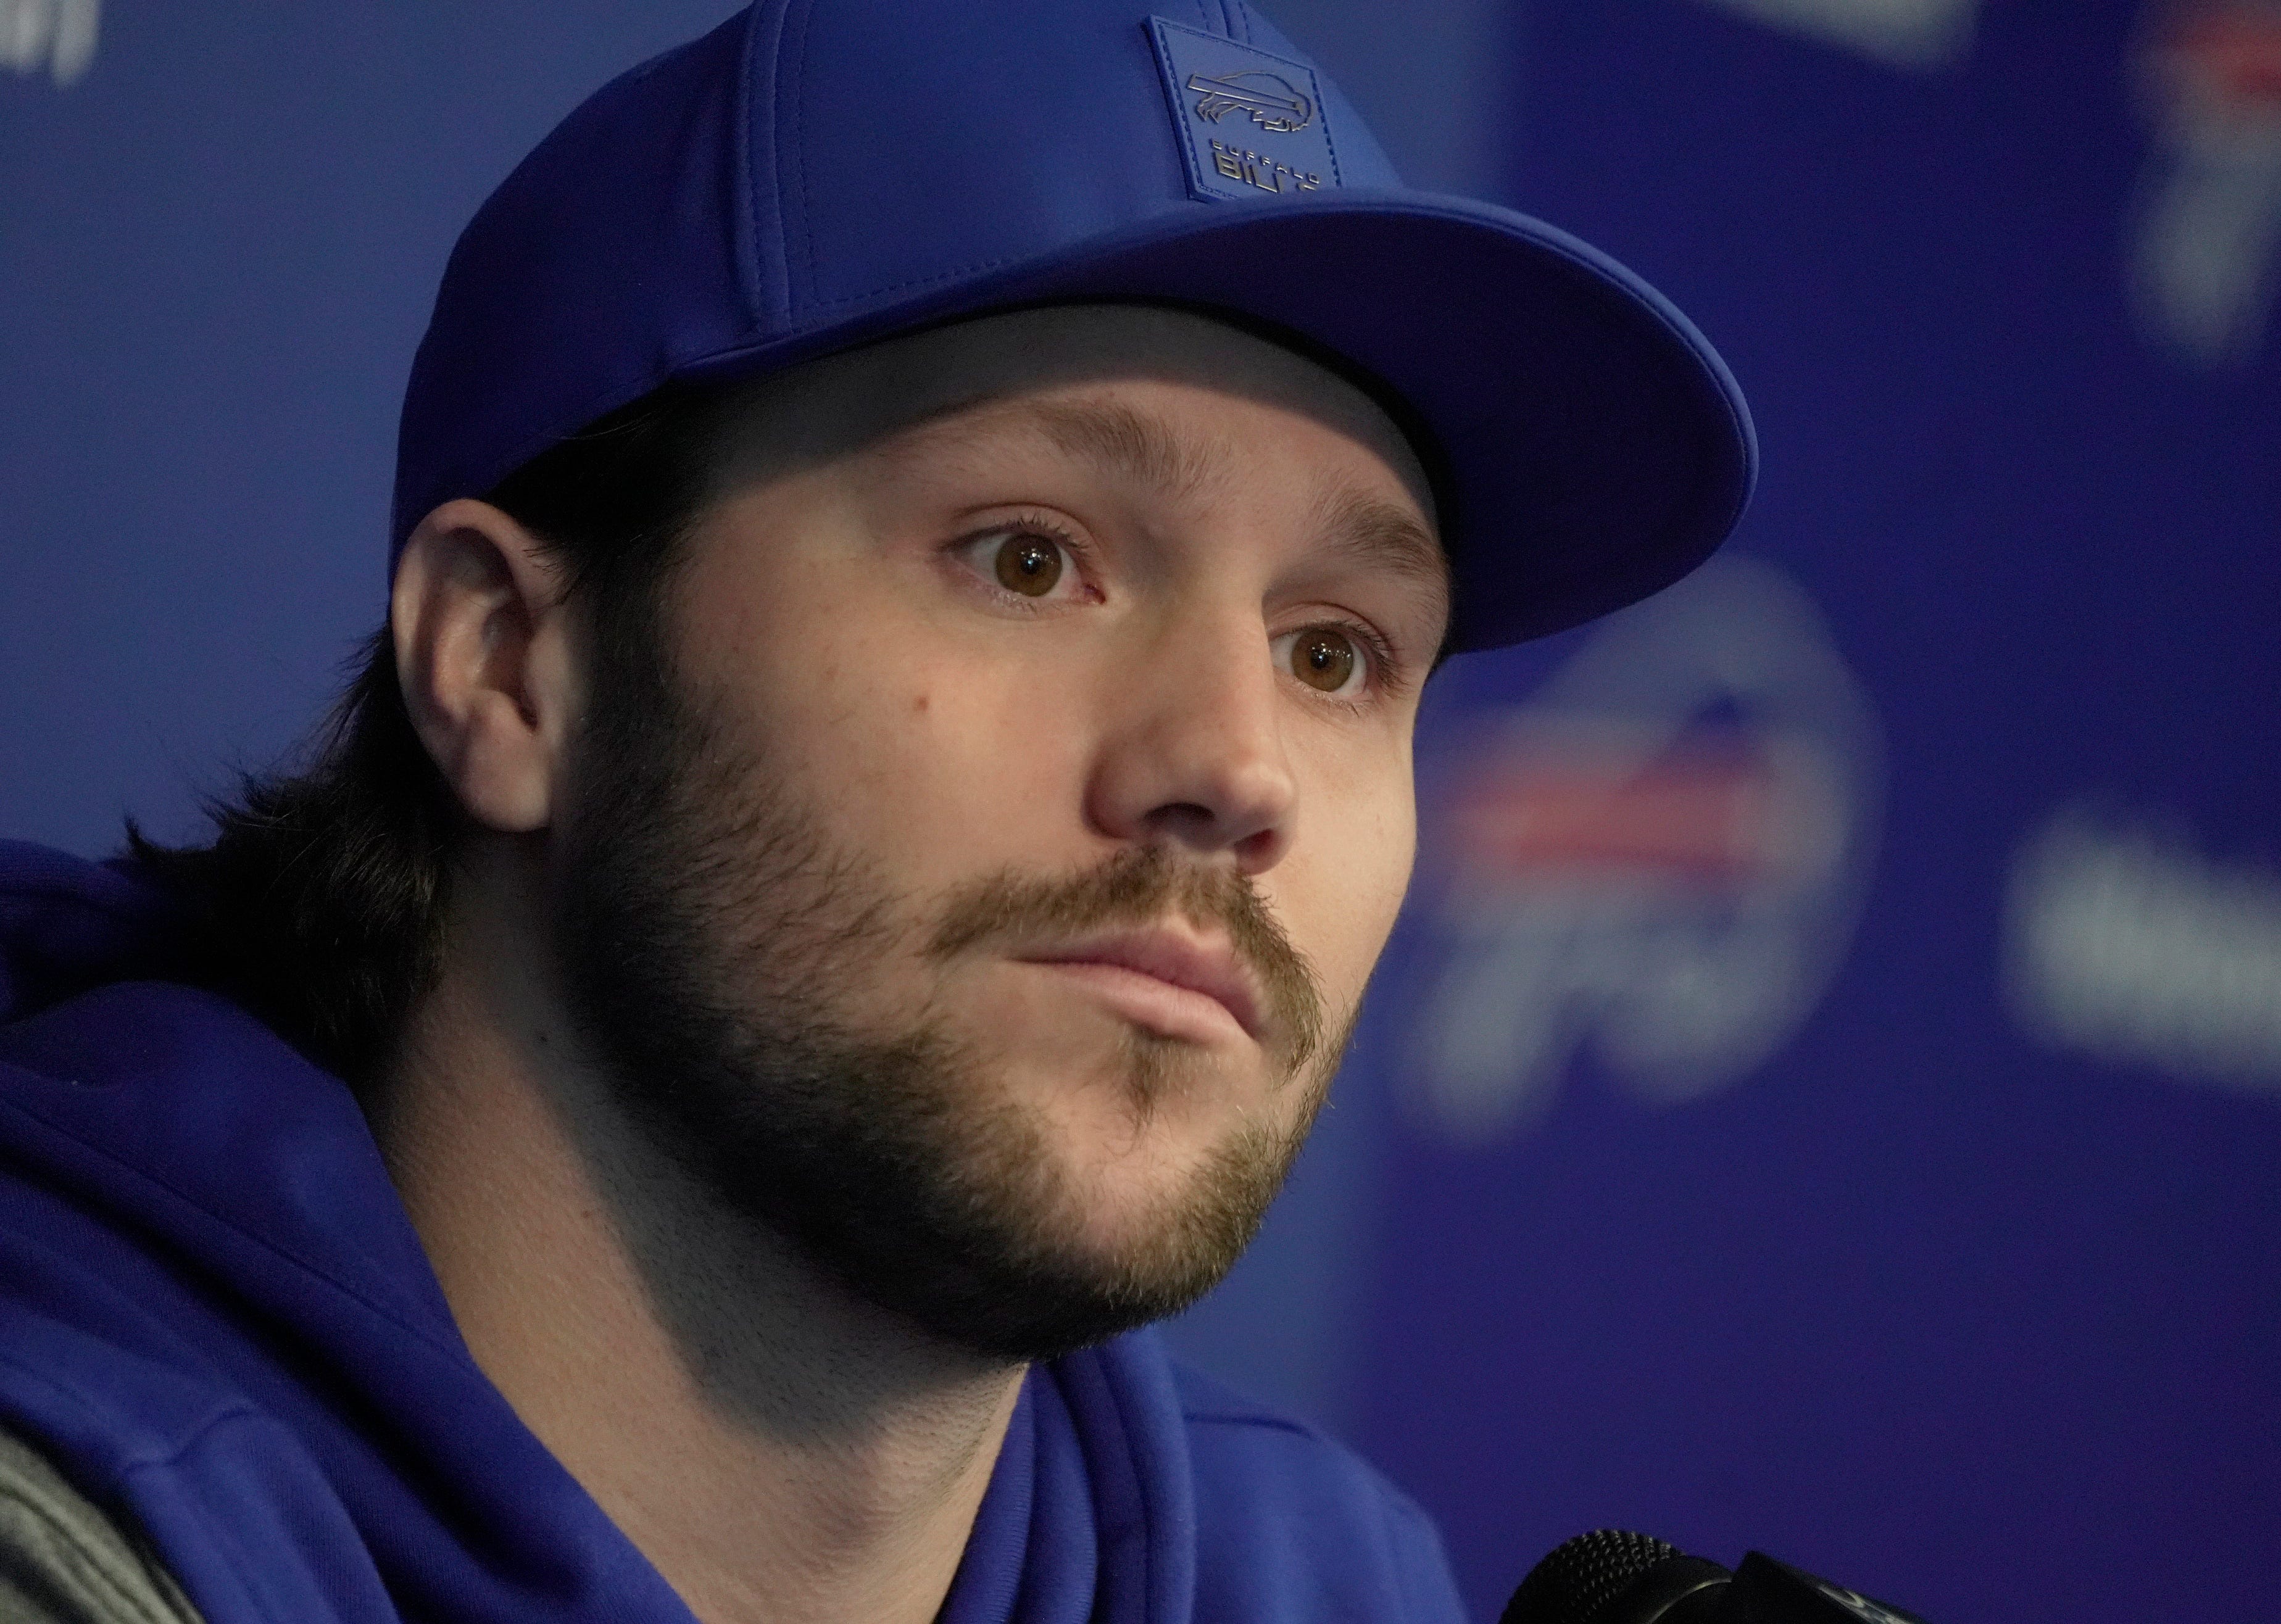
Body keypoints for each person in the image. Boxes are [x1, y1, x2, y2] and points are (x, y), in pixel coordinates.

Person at [0, 1, 1751, 1620]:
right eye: (1031, 557)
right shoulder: (76, 1511)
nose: (1236, 768)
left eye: (1337, 654)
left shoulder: (1323, 1589)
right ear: (512, 664)